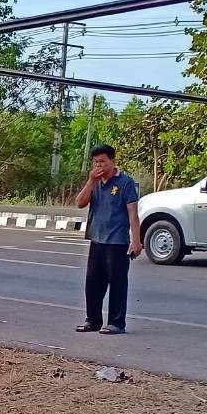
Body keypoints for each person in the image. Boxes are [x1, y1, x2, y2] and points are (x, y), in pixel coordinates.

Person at [75, 143, 141, 334]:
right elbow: (80, 203)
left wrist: (135, 241)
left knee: (117, 282)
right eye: (96, 162)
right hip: (97, 239)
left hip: (117, 241)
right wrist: (90, 181)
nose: (99, 166)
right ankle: (93, 320)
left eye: (103, 161)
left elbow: (133, 214)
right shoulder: (94, 183)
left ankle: (116, 323)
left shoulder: (125, 182)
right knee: (93, 282)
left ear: (112, 161)